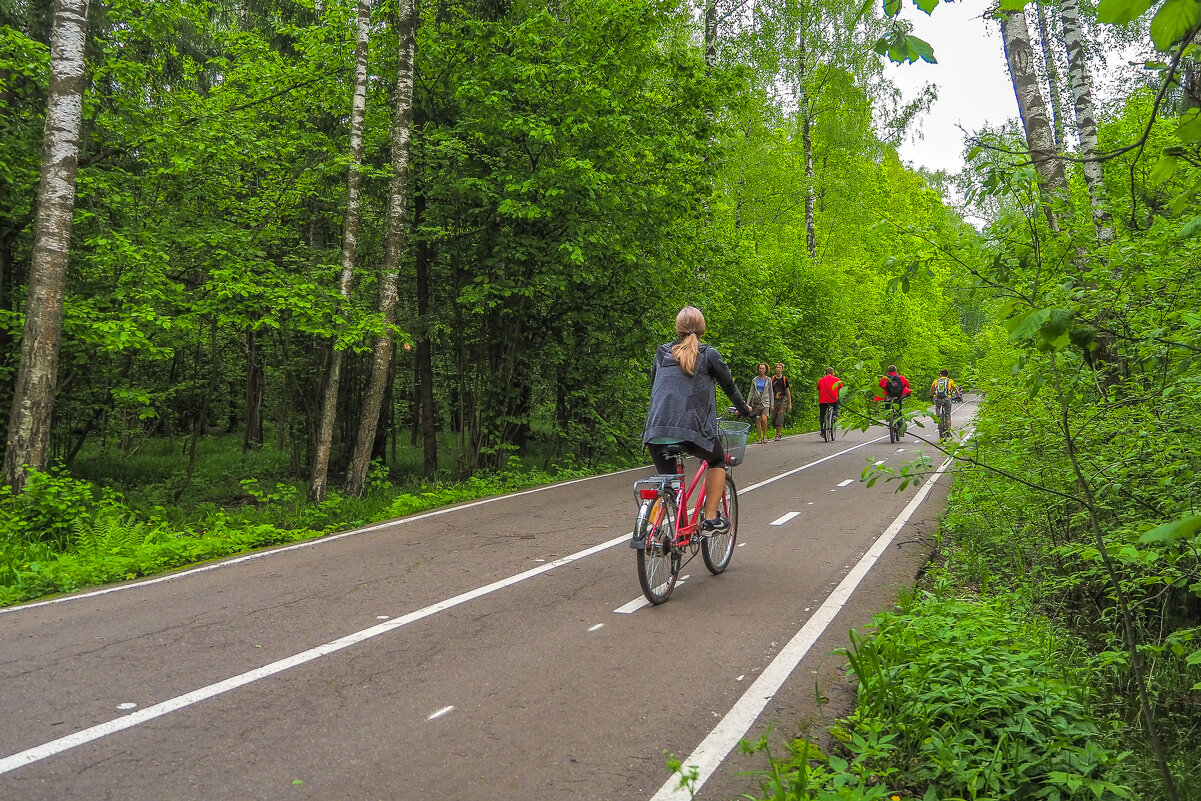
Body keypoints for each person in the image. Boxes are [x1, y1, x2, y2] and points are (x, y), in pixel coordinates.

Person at [640, 306, 753, 545]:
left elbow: (656, 388)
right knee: (717, 459)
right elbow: (729, 387)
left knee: (667, 480)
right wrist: (745, 410)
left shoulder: (661, 353)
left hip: (656, 430)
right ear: (702, 328)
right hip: (693, 428)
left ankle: (653, 530)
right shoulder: (708, 354)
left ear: (677, 328)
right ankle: (711, 518)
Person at [929, 369, 962, 439]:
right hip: (947, 398)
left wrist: (931, 395)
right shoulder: (950, 381)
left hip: (937, 398)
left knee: (937, 407)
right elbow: (955, 390)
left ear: (940, 374)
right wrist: (958, 396)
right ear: (947, 375)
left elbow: (932, 389)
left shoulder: (936, 381)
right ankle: (948, 431)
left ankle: (937, 418)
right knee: (948, 416)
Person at [876, 364, 911, 429]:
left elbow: (880, 385)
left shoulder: (884, 378)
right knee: (899, 412)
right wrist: (907, 393)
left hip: (888, 396)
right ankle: (900, 429)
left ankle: (888, 417)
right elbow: (907, 385)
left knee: (888, 407)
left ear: (888, 371)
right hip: (898, 396)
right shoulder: (901, 377)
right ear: (896, 370)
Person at [746, 363, 773, 444]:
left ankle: (765, 436)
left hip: (765, 402)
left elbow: (771, 392)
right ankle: (759, 437)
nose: (761, 370)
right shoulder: (754, 380)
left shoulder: (768, 380)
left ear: (766, 370)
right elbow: (751, 392)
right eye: (760, 368)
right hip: (756, 402)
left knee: (764, 419)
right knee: (758, 420)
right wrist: (748, 403)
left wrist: (772, 404)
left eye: (763, 368)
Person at [817, 367, 842, 442]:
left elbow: (818, 388)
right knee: (836, 404)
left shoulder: (821, 380)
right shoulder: (837, 380)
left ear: (825, 373)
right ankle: (835, 415)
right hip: (833, 399)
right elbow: (840, 387)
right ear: (832, 373)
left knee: (822, 415)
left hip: (823, 401)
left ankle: (822, 431)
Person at [770, 362, 792, 441]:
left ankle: (778, 434)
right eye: (777, 367)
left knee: (780, 415)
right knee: (774, 416)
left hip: (783, 399)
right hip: (774, 400)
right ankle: (778, 431)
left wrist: (790, 403)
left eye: (780, 368)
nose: (778, 369)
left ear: (782, 369)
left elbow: (787, 391)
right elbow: (770, 391)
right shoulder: (772, 379)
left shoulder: (784, 379)